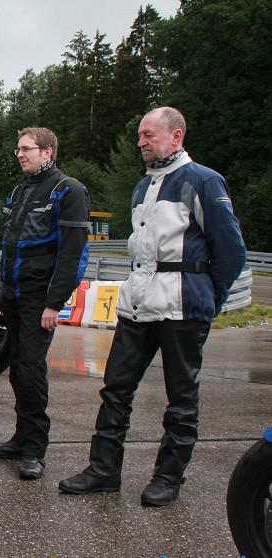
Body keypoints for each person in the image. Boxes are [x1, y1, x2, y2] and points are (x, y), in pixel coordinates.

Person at [59, 107, 247, 506]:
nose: (141, 142)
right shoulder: (142, 186)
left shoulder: (204, 181)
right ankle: (103, 469)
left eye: (148, 135)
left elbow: (231, 251)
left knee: (180, 399)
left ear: (176, 136)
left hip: (183, 306)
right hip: (137, 301)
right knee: (116, 389)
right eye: (140, 136)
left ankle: (168, 478)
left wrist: (208, 299)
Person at [0, 127, 90, 480]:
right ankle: (20, 438)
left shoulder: (68, 190)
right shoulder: (18, 191)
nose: (19, 154)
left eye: (26, 148)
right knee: (17, 370)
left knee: (31, 369)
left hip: (39, 297)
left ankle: (34, 450)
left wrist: (53, 303)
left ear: (47, 152)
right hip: (13, 296)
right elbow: (8, 248)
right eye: (18, 149)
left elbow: (73, 254)